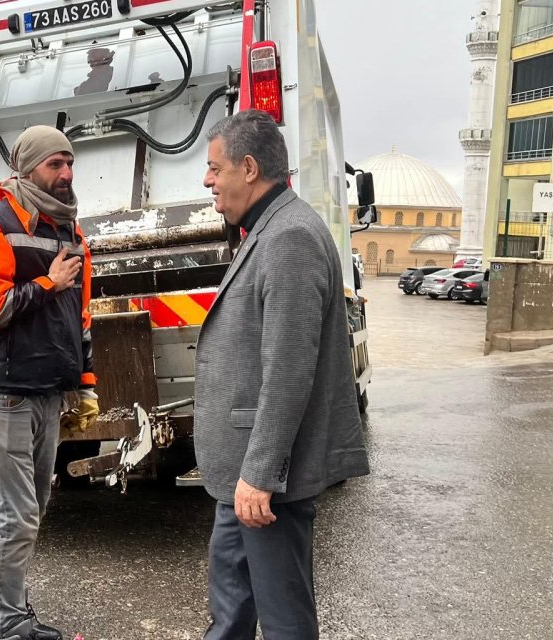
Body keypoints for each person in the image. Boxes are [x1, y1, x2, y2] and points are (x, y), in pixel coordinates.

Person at [193, 109, 370, 639]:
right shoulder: (266, 227)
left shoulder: (289, 236)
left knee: (285, 616)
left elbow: (290, 369)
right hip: (240, 473)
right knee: (230, 610)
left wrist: (261, 473)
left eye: (214, 169)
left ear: (248, 168)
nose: (207, 180)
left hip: (264, 477)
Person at [0, 125, 100, 640]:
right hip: (4, 392)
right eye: (53, 165)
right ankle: (6, 622)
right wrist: (47, 283)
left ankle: (8, 605)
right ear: (26, 169)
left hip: (46, 389)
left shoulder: (70, 231)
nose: (65, 174)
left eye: (69, 164)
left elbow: (77, 316)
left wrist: (82, 383)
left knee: (33, 508)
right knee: (15, 514)